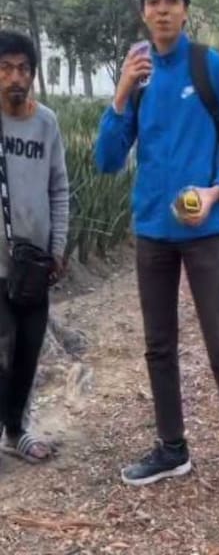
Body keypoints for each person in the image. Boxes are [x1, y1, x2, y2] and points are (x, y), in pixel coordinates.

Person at [94, 0, 219, 519]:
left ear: (186, 10)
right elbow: (107, 160)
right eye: (152, 2)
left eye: (171, 1)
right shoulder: (141, 73)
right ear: (143, 13)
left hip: (202, 232)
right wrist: (122, 92)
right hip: (152, 230)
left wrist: (218, 188)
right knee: (158, 347)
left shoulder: (209, 67)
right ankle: (172, 448)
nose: (161, 10)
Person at [0, 31, 68, 466]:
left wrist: (58, 247)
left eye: (23, 68)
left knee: (27, 350)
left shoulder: (46, 124)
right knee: (2, 351)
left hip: (35, 264)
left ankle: (15, 431)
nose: (14, 77)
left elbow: (59, 187)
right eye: (5, 68)